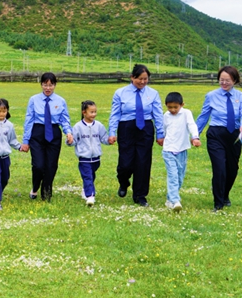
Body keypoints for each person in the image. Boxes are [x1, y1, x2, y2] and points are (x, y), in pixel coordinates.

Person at [108, 64, 165, 207]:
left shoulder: (153, 94)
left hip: (145, 128)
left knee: (143, 162)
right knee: (125, 163)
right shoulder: (120, 93)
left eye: (146, 79)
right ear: (132, 77)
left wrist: (160, 133)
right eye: (139, 79)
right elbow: (115, 114)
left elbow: (158, 115)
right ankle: (123, 181)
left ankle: (140, 195)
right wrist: (112, 132)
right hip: (126, 128)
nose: (142, 82)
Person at [20, 72, 73, 202]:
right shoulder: (33, 100)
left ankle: (46, 192)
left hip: (53, 134)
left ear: (55, 85)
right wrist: (25, 141)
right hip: (37, 133)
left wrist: (68, 132)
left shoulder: (60, 101)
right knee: (38, 165)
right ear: (41, 85)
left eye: (51, 85)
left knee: (51, 165)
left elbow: (64, 119)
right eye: (45, 85)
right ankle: (35, 187)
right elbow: (29, 120)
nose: (48, 88)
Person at [195, 66, 242, 211]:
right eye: (221, 80)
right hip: (216, 135)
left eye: (227, 80)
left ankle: (225, 194)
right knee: (219, 168)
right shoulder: (211, 96)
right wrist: (195, 134)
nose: (224, 83)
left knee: (232, 169)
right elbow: (204, 116)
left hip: (234, 136)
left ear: (234, 80)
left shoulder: (240, 96)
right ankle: (218, 202)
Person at [162, 92, 201, 212]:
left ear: (182, 105)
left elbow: (192, 125)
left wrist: (195, 137)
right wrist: (160, 138)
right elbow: (163, 130)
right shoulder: (166, 115)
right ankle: (175, 201)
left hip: (182, 149)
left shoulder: (186, 113)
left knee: (179, 177)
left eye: (175, 107)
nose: (172, 110)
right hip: (168, 149)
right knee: (173, 175)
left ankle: (169, 199)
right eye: (170, 107)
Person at [68, 100, 109, 206]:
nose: (94, 114)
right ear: (84, 112)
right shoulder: (78, 127)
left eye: (95, 111)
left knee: (91, 176)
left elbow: (103, 138)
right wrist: (70, 141)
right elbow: (74, 141)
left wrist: (110, 140)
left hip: (96, 158)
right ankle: (90, 196)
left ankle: (85, 189)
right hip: (84, 158)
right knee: (88, 177)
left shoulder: (99, 125)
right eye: (91, 112)